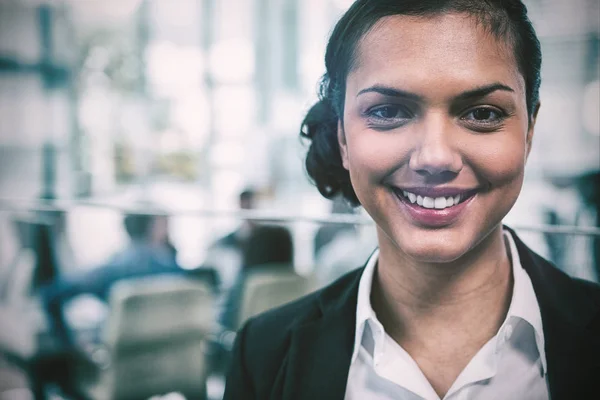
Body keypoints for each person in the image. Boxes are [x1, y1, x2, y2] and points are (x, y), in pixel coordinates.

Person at [223, 1, 600, 399]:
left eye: (483, 114)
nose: (435, 157)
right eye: (387, 111)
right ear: (343, 139)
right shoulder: (264, 355)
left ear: (529, 132)